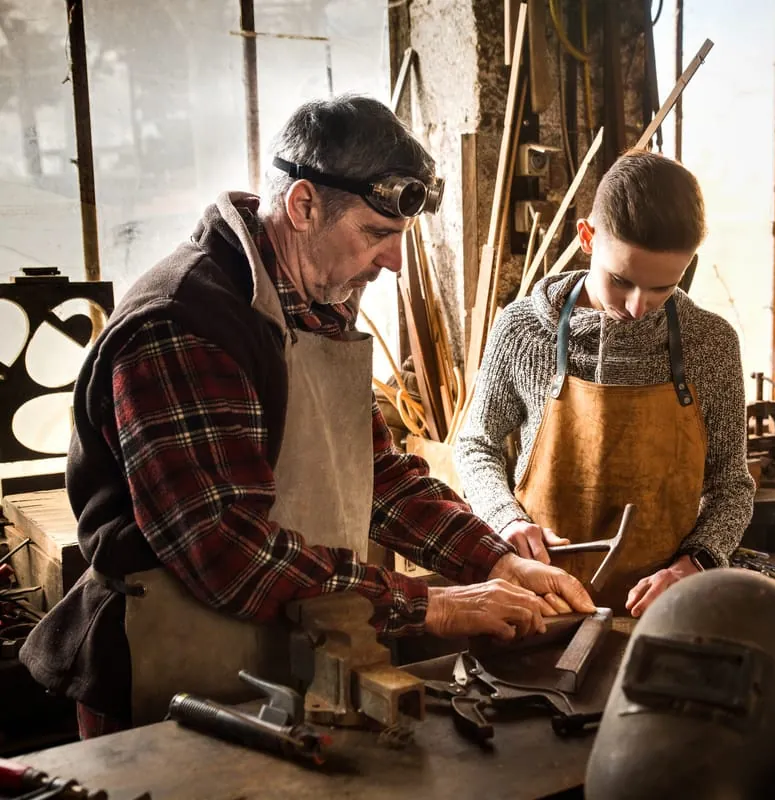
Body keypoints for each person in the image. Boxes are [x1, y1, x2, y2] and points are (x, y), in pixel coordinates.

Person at [20, 95, 592, 738]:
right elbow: (228, 552)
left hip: (284, 648)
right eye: (376, 234)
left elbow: (375, 476)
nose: (395, 262)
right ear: (302, 206)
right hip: (169, 666)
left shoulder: (312, 301)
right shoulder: (184, 325)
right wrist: (430, 605)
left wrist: (494, 561)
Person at [454, 150, 755, 617]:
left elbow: (732, 486)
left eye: (662, 288)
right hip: (540, 602)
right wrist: (504, 517)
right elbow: (477, 445)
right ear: (587, 237)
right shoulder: (522, 330)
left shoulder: (710, 344)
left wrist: (694, 564)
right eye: (622, 280)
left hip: (662, 612)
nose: (637, 307)